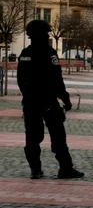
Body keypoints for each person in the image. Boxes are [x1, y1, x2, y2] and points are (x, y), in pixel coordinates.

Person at [17, 20, 83, 179]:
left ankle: (35, 169)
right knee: (58, 136)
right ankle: (65, 168)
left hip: (30, 103)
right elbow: (56, 80)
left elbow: (20, 79)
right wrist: (66, 100)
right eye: (46, 33)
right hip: (48, 102)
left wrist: (27, 94)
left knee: (32, 137)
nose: (47, 36)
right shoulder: (48, 53)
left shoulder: (24, 54)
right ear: (40, 35)